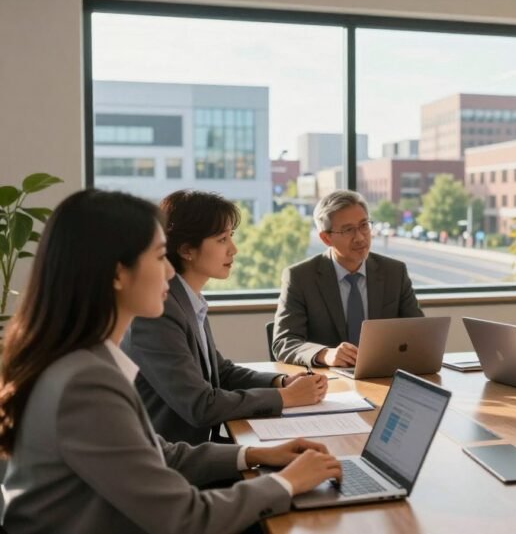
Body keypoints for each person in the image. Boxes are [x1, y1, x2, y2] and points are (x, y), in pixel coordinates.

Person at [0, 189, 340, 534]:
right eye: (160, 257)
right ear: (118, 274)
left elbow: (161, 453)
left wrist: (256, 456)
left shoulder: (83, 362)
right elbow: (185, 518)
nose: (168, 273)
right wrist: (286, 484)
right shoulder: (84, 383)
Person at [122, 190, 327, 445]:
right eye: (221, 239)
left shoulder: (186, 299)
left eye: (231, 236)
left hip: (201, 448)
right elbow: (201, 405)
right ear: (187, 250)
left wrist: (281, 382)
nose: (234, 249)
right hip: (175, 461)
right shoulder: (158, 312)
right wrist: (288, 397)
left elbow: (221, 373)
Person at [273, 190, 423, 367]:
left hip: (383, 376)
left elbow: (419, 334)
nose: (360, 237)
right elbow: (284, 342)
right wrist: (324, 354)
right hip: (329, 383)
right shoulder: (300, 277)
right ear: (326, 238)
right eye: (348, 230)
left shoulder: (394, 272)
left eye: (364, 225)